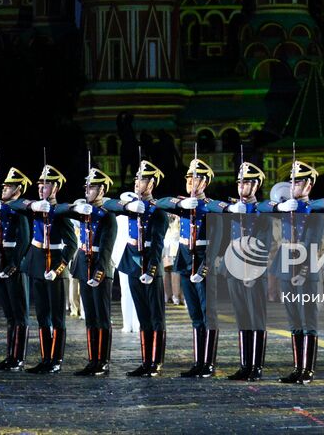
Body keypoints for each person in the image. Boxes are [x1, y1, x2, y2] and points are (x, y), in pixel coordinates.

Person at [159, 156, 223, 378]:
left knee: (208, 315)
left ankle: (209, 363)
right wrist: (181, 204)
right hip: (185, 261)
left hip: (203, 260)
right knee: (195, 315)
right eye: (188, 178)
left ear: (204, 183)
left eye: (194, 179)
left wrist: (204, 267)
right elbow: (160, 202)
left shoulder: (212, 206)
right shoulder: (183, 204)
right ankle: (198, 362)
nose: (189, 182)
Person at [108, 158, 169, 377]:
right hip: (132, 263)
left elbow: (159, 244)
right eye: (136, 179)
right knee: (143, 316)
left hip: (149, 265)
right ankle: (145, 361)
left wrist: (151, 269)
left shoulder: (158, 211)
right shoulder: (132, 207)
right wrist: (128, 206)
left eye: (142, 180)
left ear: (151, 184)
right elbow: (107, 205)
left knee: (156, 317)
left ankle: (156, 362)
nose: (137, 183)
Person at [270, 158, 324, 384]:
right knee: (294, 320)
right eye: (292, 182)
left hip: (305, 271)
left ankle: (308, 369)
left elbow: (312, 244)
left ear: (309, 186)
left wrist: (301, 270)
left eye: (299, 183)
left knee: (308, 319)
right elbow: (263, 206)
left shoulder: (315, 210)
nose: (294, 187)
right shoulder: (285, 207)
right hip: (285, 269)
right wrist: (280, 206)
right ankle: (297, 366)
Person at [216, 160, 272, 381]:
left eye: (247, 183)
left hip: (253, 274)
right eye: (239, 182)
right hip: (233, 270)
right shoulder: (232, 209)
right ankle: (245, 365)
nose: (241, 187)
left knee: (256, 318)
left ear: (256, 185)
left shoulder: (262, 212)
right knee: (242, 318)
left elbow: (264, 244)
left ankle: (256, 366)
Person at [21, 163, 77, 373]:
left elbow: (72, 244)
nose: (40, 189)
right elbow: (17, 204)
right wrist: (34, 205)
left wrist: (59, 268)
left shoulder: (59, 213)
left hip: (54, 269)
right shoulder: (36, 209)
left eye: (45, 186)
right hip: (36, 265)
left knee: (57, 318)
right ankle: (45, 358)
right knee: (42, 315)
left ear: (55, 188)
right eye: (39, 186)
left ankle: (56, 360)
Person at [67, 166, 117, 376]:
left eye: (92, 187)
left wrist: (99, 271)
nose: (88, 191)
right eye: (87, 187)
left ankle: (103, 361)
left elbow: (106, 247)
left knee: (102, 317)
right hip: (82, 266)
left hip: (99, 267)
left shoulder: (107, 216)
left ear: (102, 190)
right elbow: (61, 211)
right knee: (90, 317)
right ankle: (92, 359)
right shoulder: (84, 212)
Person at [0, 165, 32, 371]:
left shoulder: (19, 211)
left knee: (20, 314)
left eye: (9, 187)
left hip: (15, 268)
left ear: (18, 191)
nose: (4, 189)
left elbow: (24, 241)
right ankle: (9, 355)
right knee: (9, 315)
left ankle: (18, 357)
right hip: (0, 266)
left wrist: (14, 265)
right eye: (4, 186)